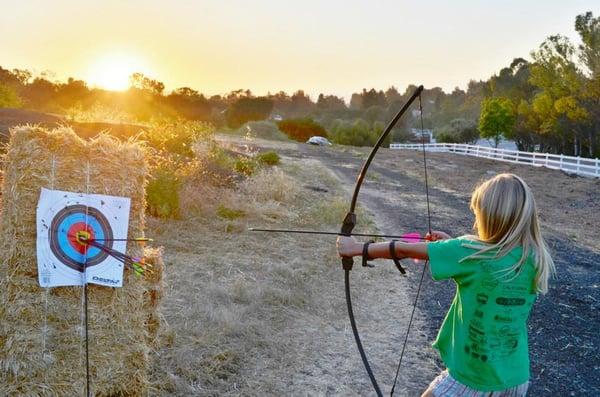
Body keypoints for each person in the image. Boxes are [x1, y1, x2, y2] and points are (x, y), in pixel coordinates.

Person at [337, 173, 554, 397]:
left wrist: (355, 248)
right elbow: (486, 271)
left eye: (478, 215)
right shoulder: (535, 257)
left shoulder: (469, 251)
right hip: (515, 379)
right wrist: (450, 243)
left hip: (472, 379)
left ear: (490, 218)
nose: (475, 222)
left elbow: (403, 249)